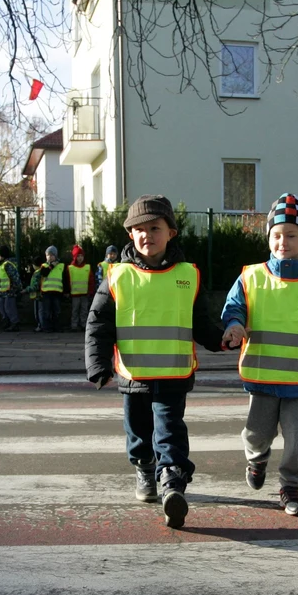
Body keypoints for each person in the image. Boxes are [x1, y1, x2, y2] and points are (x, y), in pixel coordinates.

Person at [85, 194, 224, 529]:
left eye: (155, 228)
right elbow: (99, 323)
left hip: (173, 375)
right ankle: (144, 468)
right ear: (130, 235)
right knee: (138, 432)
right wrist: (99, 366)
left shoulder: (188, 276)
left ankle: (172, 485)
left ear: (171, 233)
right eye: (139, 229)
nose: (147, 234)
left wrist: (221, 339)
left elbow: (201, 322)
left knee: (169, 431)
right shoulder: (118, 276)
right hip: (132, 375)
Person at [221, 193, 298, 517]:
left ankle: (291, 486)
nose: (283, 242)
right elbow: (233, 308)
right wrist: (233, 326)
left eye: (291, 235)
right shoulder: (251, 277)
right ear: (269, 239)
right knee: (256, 434)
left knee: (295, 440)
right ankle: (256, 459)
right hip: (261, 378)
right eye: (277, 235)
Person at [38, 245, 69, 332]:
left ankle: (57, 326)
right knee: (46, 311)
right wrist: (51, 266)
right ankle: (47, 327)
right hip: (46, 292)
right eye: (48, 255)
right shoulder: (44, 265)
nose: (50, 257)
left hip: (57, 292)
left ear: (56, 256)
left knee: (57, 311)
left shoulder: (61, 265)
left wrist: (66, 291)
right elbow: (44, 274)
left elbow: (65, 279)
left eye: (52, 255)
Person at [67, 244, 95, 332]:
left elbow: (91, 280)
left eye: (81, 256)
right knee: (75, 310)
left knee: (84, 311)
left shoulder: (87, 267)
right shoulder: (70, 268)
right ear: (74, 257)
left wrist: (90, 291)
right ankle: (74, 325)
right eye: (78, 256)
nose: (80, 258)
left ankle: (84, 325)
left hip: (85, 294)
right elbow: (67, 280)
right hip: (74, 294)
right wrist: (67, 292)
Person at [0, 245, 22, 332]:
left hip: (10, 289)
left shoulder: (8, 265)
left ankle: (14, 322)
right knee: (1, 305)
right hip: (4, 290)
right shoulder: (3, 264)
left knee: (9, 306)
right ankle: (6, 320)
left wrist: (17, 287)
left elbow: (14, 277)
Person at [27, 253, 46, 332]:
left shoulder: (38, 273)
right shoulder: (40, 272)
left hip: (39, 295)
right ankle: (41, 325)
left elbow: (35, 286)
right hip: (38, 296)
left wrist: (27, 289)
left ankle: (41, 326)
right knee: (39, 312)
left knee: (39, 312)